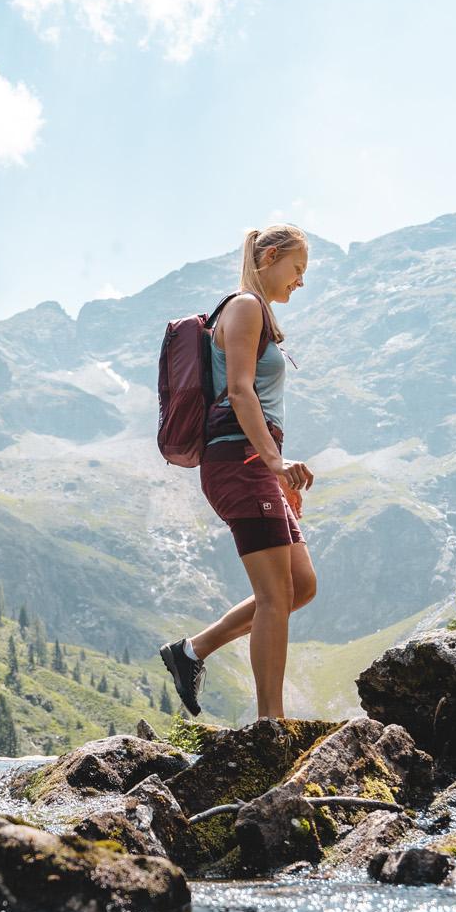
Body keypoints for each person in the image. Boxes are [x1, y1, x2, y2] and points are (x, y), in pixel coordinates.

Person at [160, 224, 315, 721]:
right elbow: (240, 390)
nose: (300, 281)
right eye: (297, 269)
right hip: (239, 461)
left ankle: (190, 652)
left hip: (255, 463)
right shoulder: (246, 306)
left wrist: (277, 473)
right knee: (275, 595)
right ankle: (272, 723)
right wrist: (274, 462)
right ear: (270, 257)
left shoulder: (257, 312)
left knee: (301, 585)